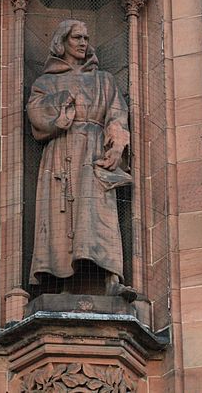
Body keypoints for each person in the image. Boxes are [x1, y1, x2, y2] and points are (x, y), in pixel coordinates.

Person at [27, 19, 136, 300]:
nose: (83, 43)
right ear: (62, 42)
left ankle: (110, 279)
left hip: (94, 151)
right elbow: (36, 113)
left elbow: (116, 116)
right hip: (61, 152)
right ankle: (59, 281)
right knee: (61, 217)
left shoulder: (104, 80)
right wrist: (60, 103)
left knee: (99, 215)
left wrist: (115, 147)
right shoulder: (46, 82)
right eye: (76, 37)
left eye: (86, 38)